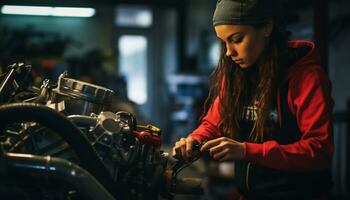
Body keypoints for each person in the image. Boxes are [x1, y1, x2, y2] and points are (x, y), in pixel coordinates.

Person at [172, 0, 334, 199]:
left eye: (237, 39)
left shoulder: (307, 78)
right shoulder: (236, 76)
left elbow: (319, 150)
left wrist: (247, 151)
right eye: (224, 43)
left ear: (266, 27)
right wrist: (194, 140)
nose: (229, 52)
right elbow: (213, 123)